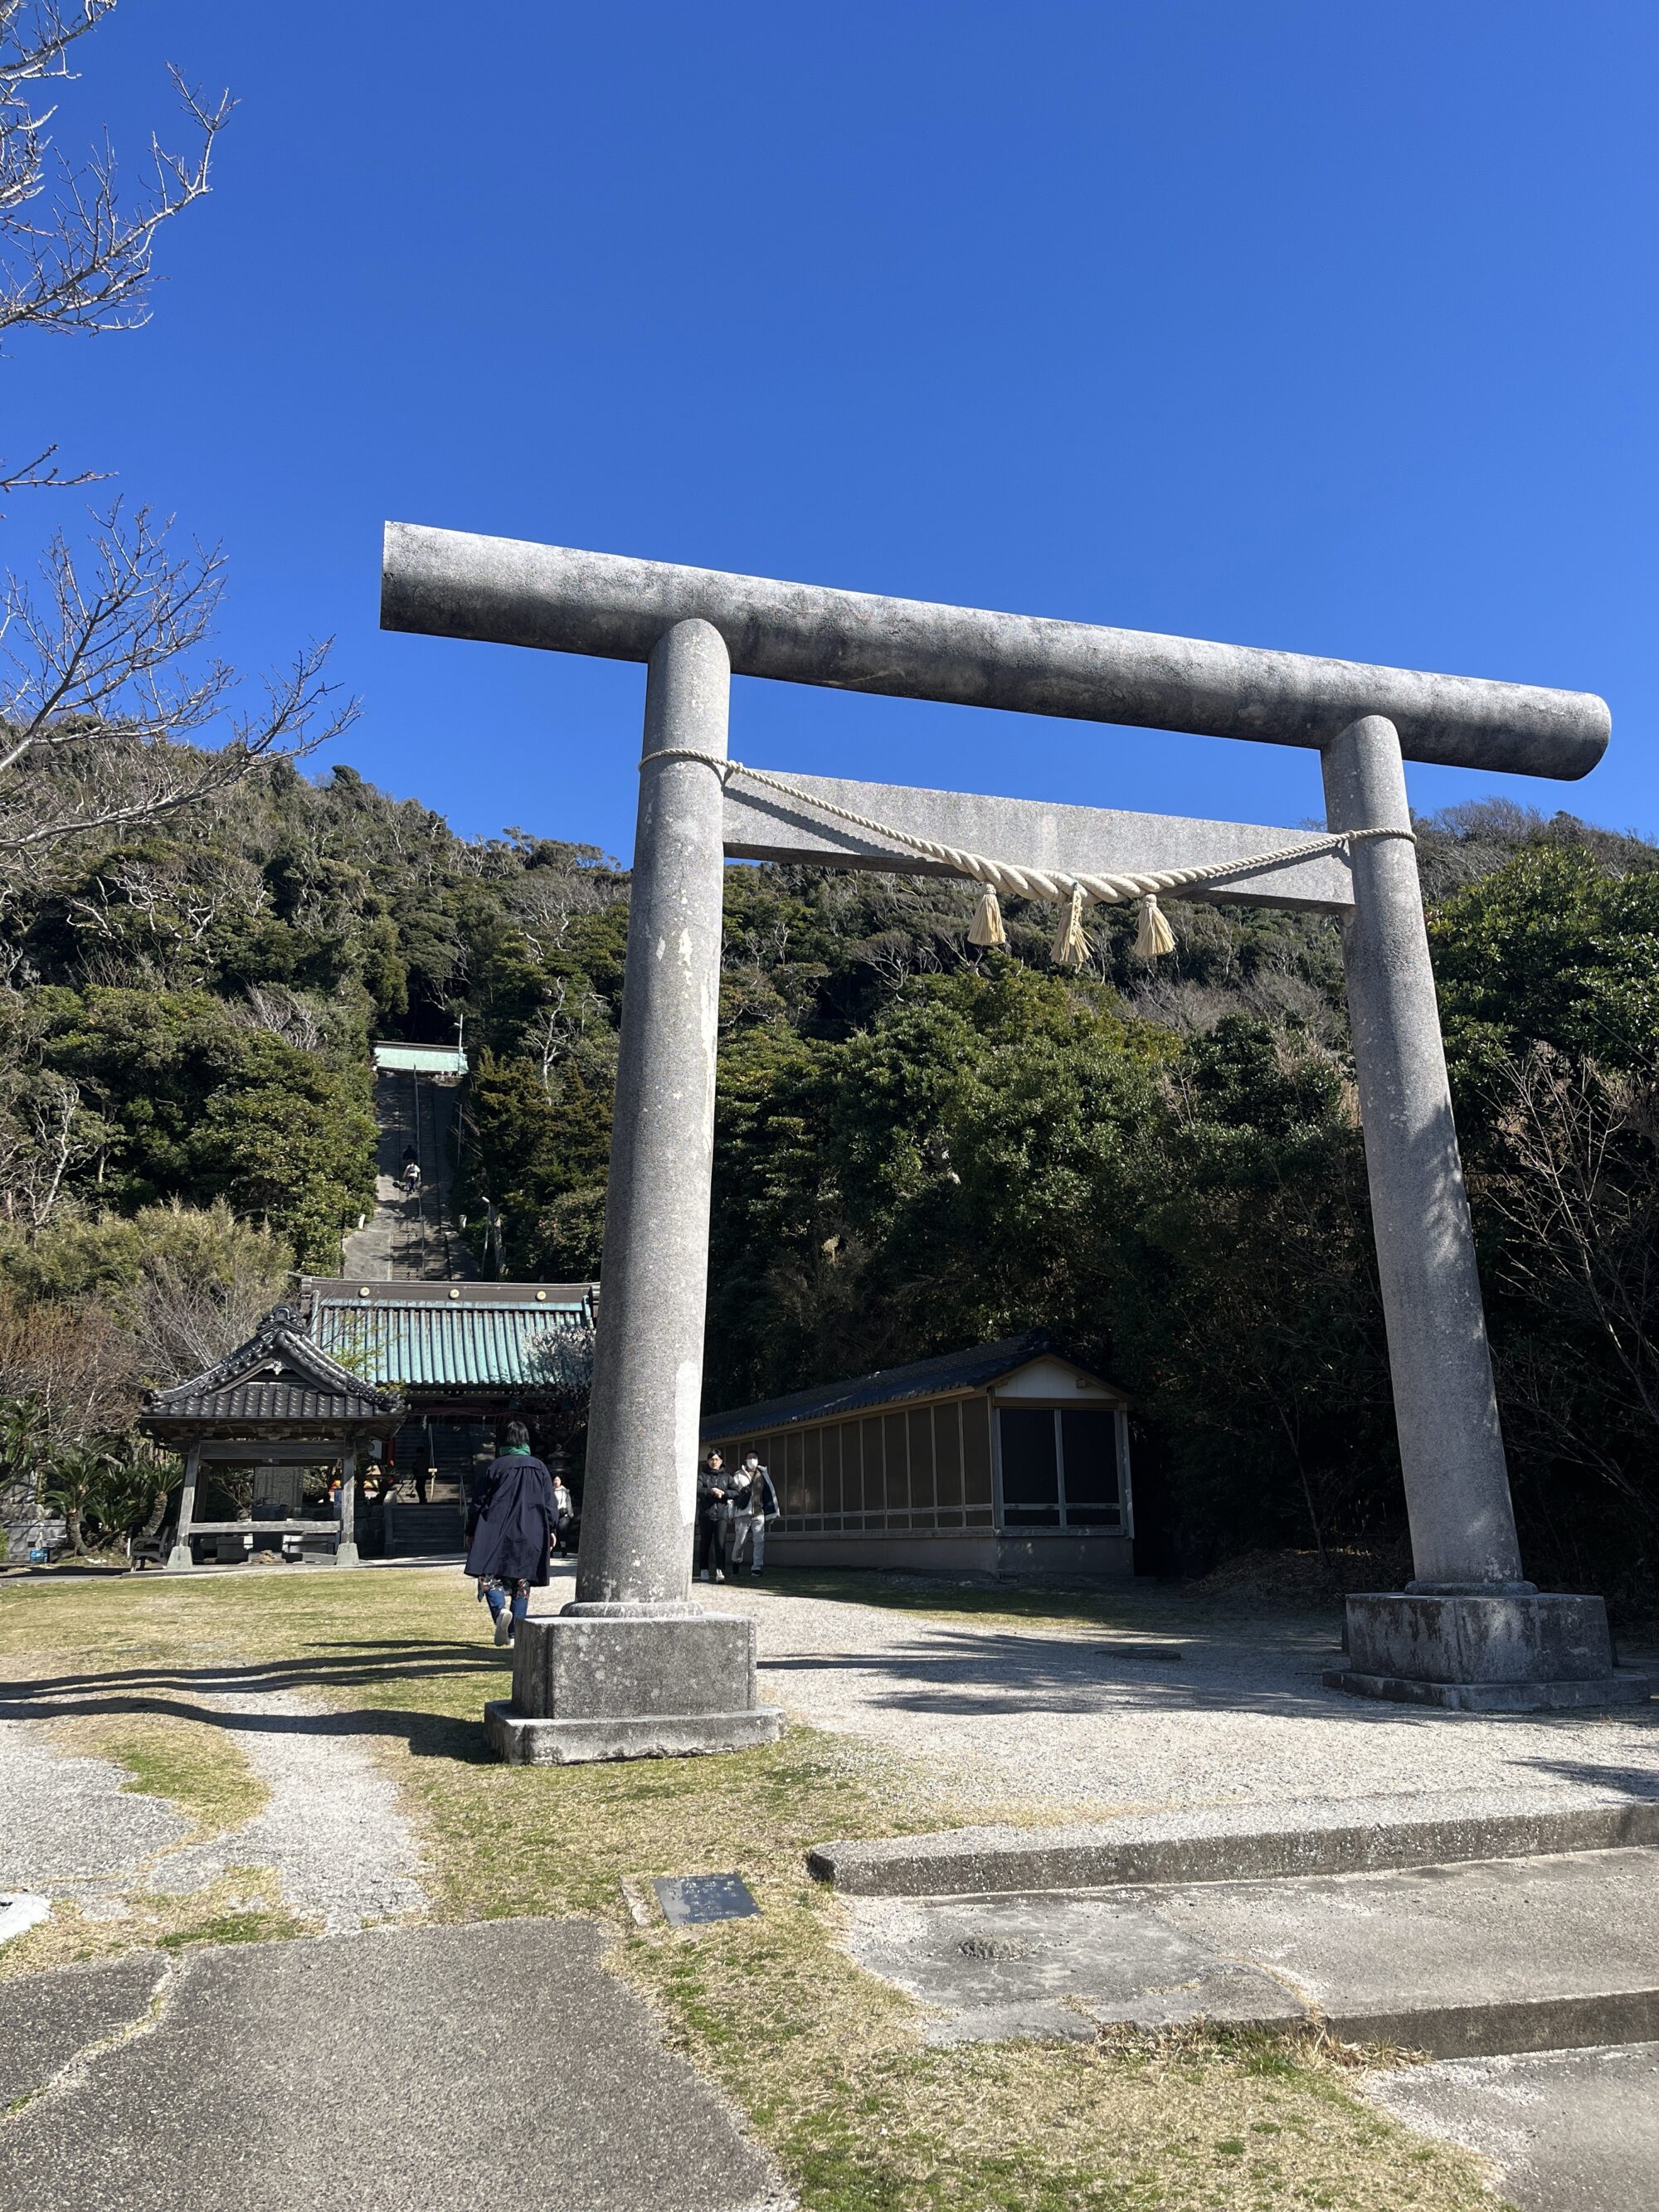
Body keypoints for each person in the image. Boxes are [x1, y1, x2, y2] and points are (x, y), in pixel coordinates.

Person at [465, 1421, 556, 1646]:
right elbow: (549, 1502)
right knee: (522, 1581)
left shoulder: (496, 1466)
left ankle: (500, 1612)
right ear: (526, 1440)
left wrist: (471, 1529)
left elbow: (479, 1502)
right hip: (531, 1530)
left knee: (489, 1575)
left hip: (494, 1529)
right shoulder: (539, 1467)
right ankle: (515, 1633)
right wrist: (551, 1529)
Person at [728, 1451, 779, 1577]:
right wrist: (730, 1514)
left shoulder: (763, 1474)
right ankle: (736, 1560)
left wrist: (772, 1513)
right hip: (743, 1513)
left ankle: (757, 1567)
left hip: (759, 1512)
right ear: (745, 1460)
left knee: (759, 1540)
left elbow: (770, 1493)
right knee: (740, 1541)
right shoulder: (738, 1476)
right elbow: (732, 1496)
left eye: (754, 1457)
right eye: (749, 1457)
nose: (752, 1460)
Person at [695, 1450, 728, 1582]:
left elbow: (736, 1492)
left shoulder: (727, 1477)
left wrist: (723, 1493)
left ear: (721, 1461)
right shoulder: (702, 1476)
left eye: (717, 1460)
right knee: (705, 1543)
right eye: (711, 1460)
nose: (714, 1462)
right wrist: (710, 1492)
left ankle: (720, 1570)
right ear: (708, 1462)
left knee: (720, 1544)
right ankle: (704, 1569)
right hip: (706, 1515)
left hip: (721, 1516)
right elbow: (697, 1489)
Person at [550, 1459, 576, 1555]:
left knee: (562, 1529)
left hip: (563, 1513)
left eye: (558, 1480)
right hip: (553, 1513)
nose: (556, 1482)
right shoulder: (550, 1491)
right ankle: (551, 1550)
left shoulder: (565, 1491)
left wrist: (570, 1514)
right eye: (555, 1480)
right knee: (552, 1530)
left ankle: (564, 1550)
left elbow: (568, 1503)